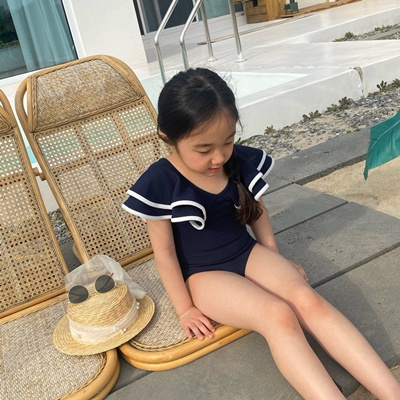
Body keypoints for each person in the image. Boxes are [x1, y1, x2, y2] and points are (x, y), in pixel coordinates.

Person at [122, 68, 400, 399]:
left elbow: (257, 212)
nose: (218, 157)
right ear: (168, 137)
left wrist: (273, 258)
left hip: (247, 253)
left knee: (307, 299)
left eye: (228, 141)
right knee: (277, 314)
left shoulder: (238, 161)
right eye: (204, 149)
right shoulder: (161, 182)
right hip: (203, 276)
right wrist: (185, 309)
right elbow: (165, 254)